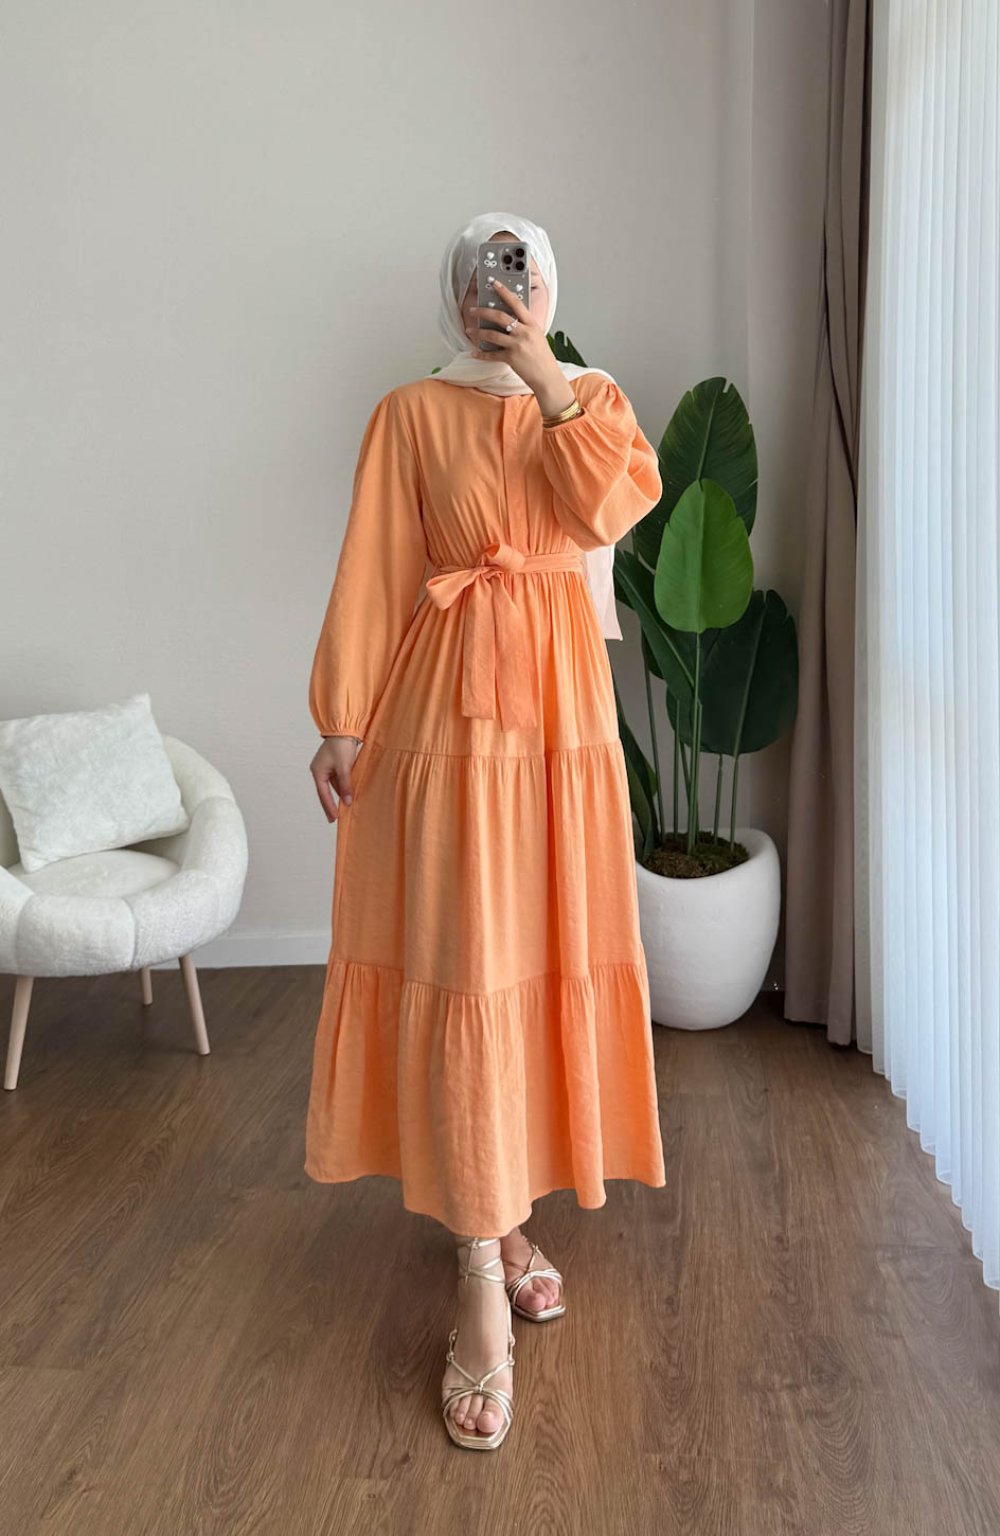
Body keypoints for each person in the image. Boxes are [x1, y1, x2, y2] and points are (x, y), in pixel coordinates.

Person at [305, 211, 667, 1451]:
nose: (495, 291)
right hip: (444, 720)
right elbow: (372, 568)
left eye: (517, 273)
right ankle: (477, 1275)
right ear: (452, 292)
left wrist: (547, 378)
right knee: (465, 971)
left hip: (562, 730)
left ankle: (507, 1219)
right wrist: (340, 718)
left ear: (547, 288)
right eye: (479, 273)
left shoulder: (593, 401)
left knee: (533, 968)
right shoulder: (409, 412)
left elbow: (610, 509)